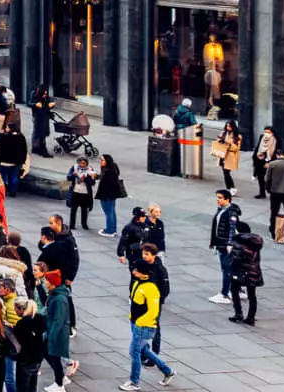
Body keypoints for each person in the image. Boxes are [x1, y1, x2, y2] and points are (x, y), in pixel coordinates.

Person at [124, 260, 174, 390]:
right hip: (136, 323)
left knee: (134, 351)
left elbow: (153, 311)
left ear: (144, 273)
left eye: (136, 270)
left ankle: (134, 382)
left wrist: (140, 322)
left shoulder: (151, 289)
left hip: (144, 326)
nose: (133, 271)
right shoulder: (137, 283)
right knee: (143, 350)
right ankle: (167, 371)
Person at [42, 269, 74, 390]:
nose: (44, 282)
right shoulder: (54, 294)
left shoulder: (59, 299)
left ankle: (59, 384)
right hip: (52, 331)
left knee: (55, 357)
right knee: (50, 354)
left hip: (57, 333)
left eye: (46, 280)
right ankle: (60, 378)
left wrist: (52, 336)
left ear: (52, 282)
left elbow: (58, 320)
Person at [228, 220, 264, 325]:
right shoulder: (255, 242)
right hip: (254, 271)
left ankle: (238, 313)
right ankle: (251, 317)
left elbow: (236, 259)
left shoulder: (239, 243)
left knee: (234, 290)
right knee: (252, 294)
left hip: (241, 272)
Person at [209, 189, 241, 303]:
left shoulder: (230, 212)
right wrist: (213, 243)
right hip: (220, 243)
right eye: (217, 197)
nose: (218, 200)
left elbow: (232, 229)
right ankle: (236, 290)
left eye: (220, 198)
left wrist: (230, 243)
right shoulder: (222, 210)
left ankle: (224, 294)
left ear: (227, 199)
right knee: (229, 268)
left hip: (225, 245)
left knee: (227, 268)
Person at [97, 153, 127, 237]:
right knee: (111, 211)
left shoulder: (108, 172)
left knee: (108, 212)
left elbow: (105, 183)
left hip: (107, 194)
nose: (101, 162)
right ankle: (112, 228)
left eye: (102, 160)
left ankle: (110, 230)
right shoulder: (112, 169)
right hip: (112, 194)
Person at [0, 123, 28, 196]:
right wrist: (23, 160)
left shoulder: (5, 137)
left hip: (4, 161)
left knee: (2, 177)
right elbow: (24, 150)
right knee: (14, 176)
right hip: (16, 162)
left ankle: (2, 191)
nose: (6, 129)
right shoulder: (21, 137)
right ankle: (13, 192)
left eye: (7, 127)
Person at [64, 158, 96, 232]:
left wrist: (85, 178)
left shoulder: (90, 170)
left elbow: (92, 182)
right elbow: (68, 177)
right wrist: (73, 175)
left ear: (86, 164)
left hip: (85, 193)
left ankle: (84, 224)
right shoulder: (74, 168)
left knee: (84, 210)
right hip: (75, 192)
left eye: (83, 163)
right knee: (73, 209)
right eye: (80, 163)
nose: (82, 165)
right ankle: (72, 224)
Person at [251, 126, 278, 199]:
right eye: (265, 132)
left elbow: (275, 151)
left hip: (270, 160)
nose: (266, 134)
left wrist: (269, 161)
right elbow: (258, 147)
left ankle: (271, 191)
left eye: (268, 132)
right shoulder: (262, 137)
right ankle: (262, 192)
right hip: (259, 159)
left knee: (270, 177)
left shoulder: (275, 139)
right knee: (260, 177)